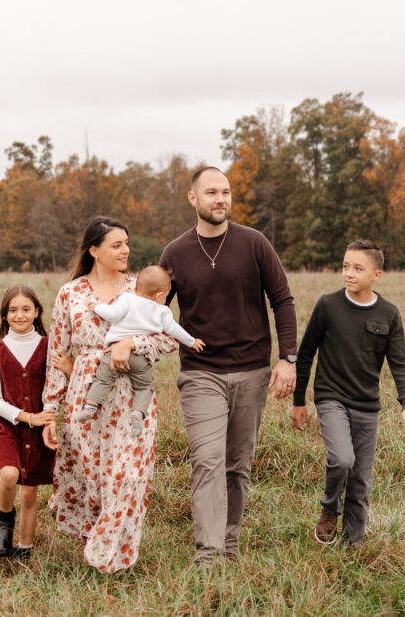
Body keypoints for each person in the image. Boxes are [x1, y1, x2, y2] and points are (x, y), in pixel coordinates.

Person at [158, 166, 298, 569]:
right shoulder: (175, 253)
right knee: (207, 460)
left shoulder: (255, 243)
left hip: (252, 371)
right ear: (193, 199)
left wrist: (288, 359)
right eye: (212, 193)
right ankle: (208, 555)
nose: (221, 199)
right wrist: (126, 346)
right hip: (200, 373)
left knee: (237, 466)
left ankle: (229, 543)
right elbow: (154, 312)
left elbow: (283, 301)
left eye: (226, 192)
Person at [41, 217, 178, 573]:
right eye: (116, 245)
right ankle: (98, 544)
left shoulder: (141, 287)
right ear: (94, 250)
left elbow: (168, 337)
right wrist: (50, 413)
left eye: (127, 244)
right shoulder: (70, 293)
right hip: (85, 397)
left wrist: (132, 342)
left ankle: (108, 553)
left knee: (127, 475)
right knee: (93, 478)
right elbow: (57, 355)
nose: (126, 251)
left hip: (131, 394)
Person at [290, 240, 405, 549]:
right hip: (331, 397)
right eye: (345, 266)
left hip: (367, 406)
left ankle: (353, 546)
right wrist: (299, 401)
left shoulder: (388, 313)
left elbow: (399, 361)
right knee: (342, 459)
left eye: (358, 268)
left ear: (377, 274)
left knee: (361, 480)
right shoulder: (327, 305)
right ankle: (330, 507)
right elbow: (305, 354)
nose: (348, 273)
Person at [78, 265, 205, 437]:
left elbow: (113, 314)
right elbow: (175, 330)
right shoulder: (162, 311)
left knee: (103, 379)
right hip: (141, 356)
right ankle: (138, 412)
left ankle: (90, 406)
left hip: (113, 351)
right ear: (159, 295)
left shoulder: (127, 298)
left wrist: (97, 307)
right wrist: (191, 341)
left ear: (136, 287)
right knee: (144, 387)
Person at [0, 284, 57, 558]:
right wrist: (29, 417)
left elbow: (54, 387)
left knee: (29, 494)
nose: (20, 315)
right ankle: (5, 519)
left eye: (26, 309)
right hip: (9, 426)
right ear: (4, 315)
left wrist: (47, 416)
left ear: (36, 312)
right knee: (9, 474)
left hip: (39, 431)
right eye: (13, 310)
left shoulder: (48, 347)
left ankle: (24, 549)